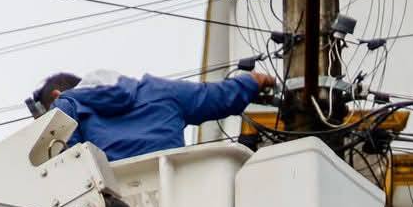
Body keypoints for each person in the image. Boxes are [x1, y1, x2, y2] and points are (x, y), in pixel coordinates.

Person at [28, 67, 279, 161]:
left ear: (56, 97)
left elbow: (64, 159)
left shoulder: (69, 105)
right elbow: (216, 97)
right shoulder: (160, 90)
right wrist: (253, 82)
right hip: (176, 196)